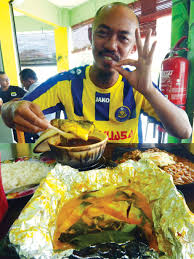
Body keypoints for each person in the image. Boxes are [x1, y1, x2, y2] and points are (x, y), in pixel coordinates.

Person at [1, 2, 192, 143]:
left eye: (123, 38)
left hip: (128, 177)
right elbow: (15, 108)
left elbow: (185, 131)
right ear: (90, 36)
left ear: (134, 47)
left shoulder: (137, 85)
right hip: (78, 174)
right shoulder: (66, 83)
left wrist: (149, 90)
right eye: (103, 33)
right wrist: (10, 110)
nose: (110, 45)